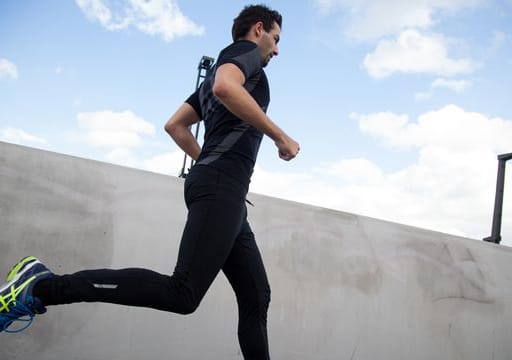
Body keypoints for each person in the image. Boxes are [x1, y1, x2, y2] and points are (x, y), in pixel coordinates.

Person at [0, 4, 299, 359]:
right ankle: (43, 286)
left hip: (226, 190)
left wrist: (209, 164)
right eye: (276, 40)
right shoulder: (242, 54)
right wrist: (279, 136)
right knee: (182, 293)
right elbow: (224, 88)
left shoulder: (219, 71)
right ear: (258, 29)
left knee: (256, 295)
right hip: (222, 187)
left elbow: (175, 125)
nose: (277, 50)